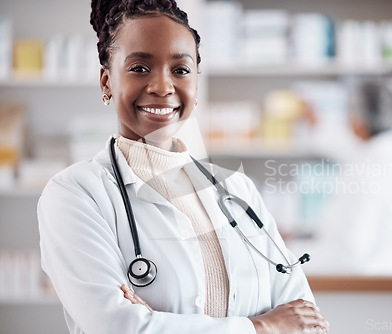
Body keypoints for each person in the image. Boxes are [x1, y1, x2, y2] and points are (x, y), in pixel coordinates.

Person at [37, 1, 329, 333]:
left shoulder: (237, 190)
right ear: (106, 82)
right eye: (140, 68)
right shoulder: (76, 194)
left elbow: (306, 320)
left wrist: (161, 323)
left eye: (180, 70)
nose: (162, 87)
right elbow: (116, 327)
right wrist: (264, 327)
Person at [297, 79, 392, 275]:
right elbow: (344, 147)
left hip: (369, 277)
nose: (346, 118)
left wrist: (290, 256)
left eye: (349, 111)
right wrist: (316, 124)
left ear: (359, 120)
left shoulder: (367, 167)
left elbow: (353, 247)